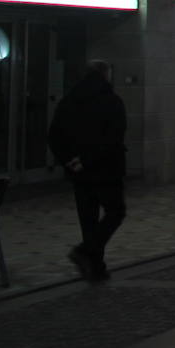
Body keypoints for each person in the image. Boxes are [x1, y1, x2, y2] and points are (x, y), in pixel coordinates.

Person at [47, 60, 126, 282]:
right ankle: (87, 253)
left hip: (79, 172)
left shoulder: (69, 101)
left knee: (88, 219)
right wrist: (88, 160)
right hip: (106, 168)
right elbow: (113, 138)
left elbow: (54, 135)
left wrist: (70, 161)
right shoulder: (112, 101)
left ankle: (95, 267)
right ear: (105, 74)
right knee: (115, 212)